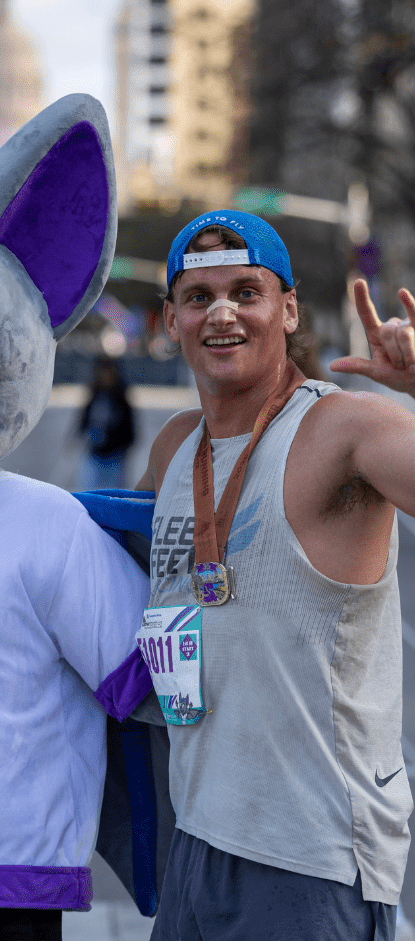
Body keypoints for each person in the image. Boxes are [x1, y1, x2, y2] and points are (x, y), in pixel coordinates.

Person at [134, 208, 415, 941]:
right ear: (171, 320)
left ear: (288, 310)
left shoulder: (347, 429)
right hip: (195, 839)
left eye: (246, 292)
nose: (222, 313)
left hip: (310, 859)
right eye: (199, 298)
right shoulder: (173, 450)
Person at [77, 356, 136, 489]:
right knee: (89, 492)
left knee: (114, 495)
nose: (106, 376)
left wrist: (125, 446)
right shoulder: (94, 396)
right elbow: (84, 420)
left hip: (115, 457)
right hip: (95, 454)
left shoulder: (121, 399)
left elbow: (130, 426)